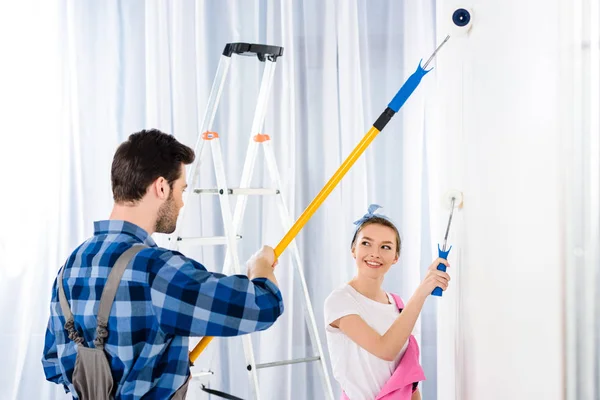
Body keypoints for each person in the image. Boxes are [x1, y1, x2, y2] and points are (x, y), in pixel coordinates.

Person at [42, 129, 284, 399]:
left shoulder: (70, 266)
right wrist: (260, 266)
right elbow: (264, 306)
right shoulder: (157, 271)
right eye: (181, 189)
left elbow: (52, 364)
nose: (181, 202)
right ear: (161, 187)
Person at [324, 204, 451, 400]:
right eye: (366, 243)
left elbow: (409, 382)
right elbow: (385, 349)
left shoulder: (398, 305)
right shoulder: (340, 301)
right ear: (353, 250)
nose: (375, 253)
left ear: (395, 257)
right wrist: (422, 292)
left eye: (385, 247)